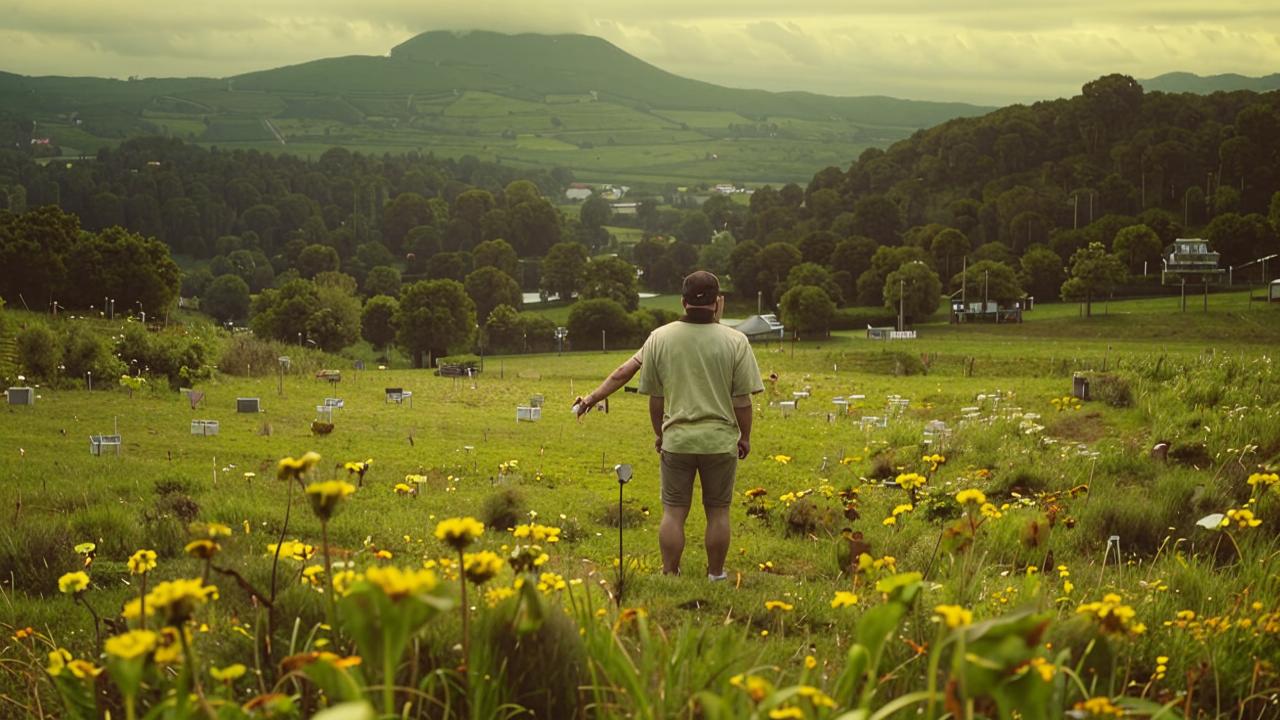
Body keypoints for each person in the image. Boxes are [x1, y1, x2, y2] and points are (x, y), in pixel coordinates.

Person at [636, 271, 763, 580]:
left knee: (673, 512)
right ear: (717, 302)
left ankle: (670, 572)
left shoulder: (660, 338)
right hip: (720, 442)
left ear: (683, 301)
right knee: (718, 512)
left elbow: (656, 399)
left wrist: (659, 434)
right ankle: (716, 574)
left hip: (677, 441)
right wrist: (744, 437)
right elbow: (742, 402)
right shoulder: (736, 341)